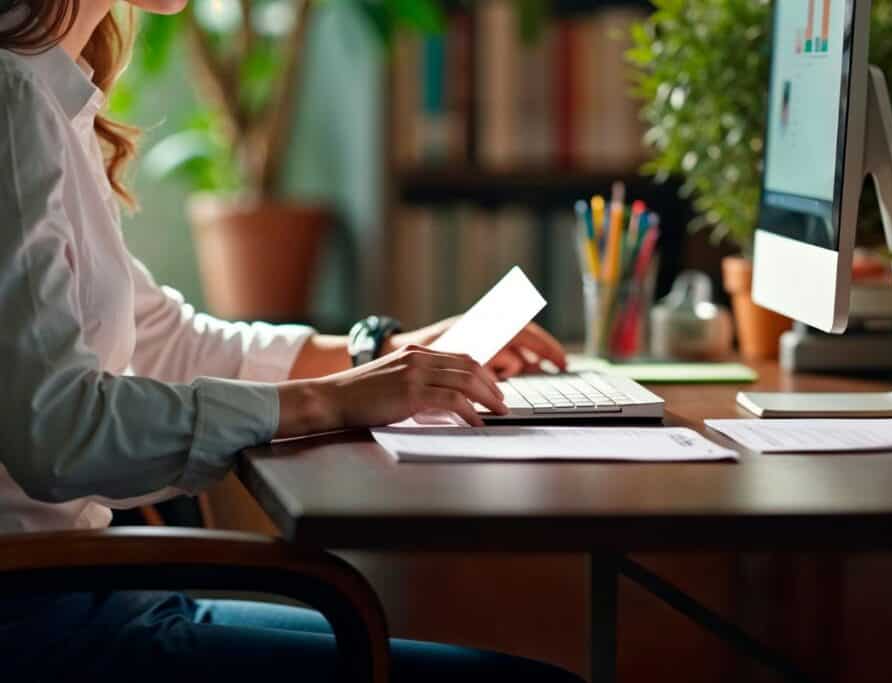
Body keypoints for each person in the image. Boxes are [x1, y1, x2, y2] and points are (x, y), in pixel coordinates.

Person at [0, 1, 581, 680]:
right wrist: (328, 401)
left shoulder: (48, 89)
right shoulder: (13, 99)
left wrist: (379, 354)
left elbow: (166, 340)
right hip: (43, 627)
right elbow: (60, 431)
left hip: (91, 595)